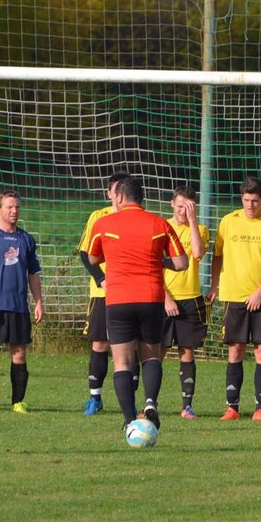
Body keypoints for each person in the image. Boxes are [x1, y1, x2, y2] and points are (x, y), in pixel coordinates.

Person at [86, 177, 187, 430]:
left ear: (119, 197)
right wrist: (158, 260)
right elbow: (182, 263)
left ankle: (130, 420)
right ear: (142, 199)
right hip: (151, 298)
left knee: (121, 362)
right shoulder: (159, 223)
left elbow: (92, 256)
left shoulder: (104, 223)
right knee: (150, 357)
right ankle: (150, 402)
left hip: (118, 299)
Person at [206, 176, 261, 421]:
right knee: (235, 350)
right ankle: (233, 407)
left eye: (255, 201)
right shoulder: (228, 222)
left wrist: (259, 292)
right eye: (246, 200)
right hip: (234, 295)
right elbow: (217, 256)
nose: (250, 205)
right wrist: (215, 285)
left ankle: (260, 408)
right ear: (242, 198)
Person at [0, 190, 44, 414]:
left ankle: (18, 402)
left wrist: (39, 302)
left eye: (17, 207)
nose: (14, 211)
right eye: (9, 207)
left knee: (19, 353)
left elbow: (33, 273)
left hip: (18, 306)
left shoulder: (26, 239)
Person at [77, 171, 130, 416]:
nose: (117, 195)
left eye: (122, 190)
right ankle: (95, 397)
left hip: (131, 290)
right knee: (100, 343)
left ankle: (131, 401)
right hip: (103, 292)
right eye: (114, 190)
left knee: (133, 345)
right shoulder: (98, 217)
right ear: (109, 193)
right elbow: (85, 253)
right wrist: (102, 279)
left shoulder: (137, 217)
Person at [161, 185, 210, 419]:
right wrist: (165, 298)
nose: (183, 211)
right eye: (180, 206)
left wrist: (192, 221)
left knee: (186, 351)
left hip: (190, 299)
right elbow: (152, 266)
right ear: (172, 204)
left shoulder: (200, 229)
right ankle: (150, 403)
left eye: (189, 207)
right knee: (156, 352)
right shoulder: (161, 228)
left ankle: (187, 406)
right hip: (162, 299)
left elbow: (198, 253)